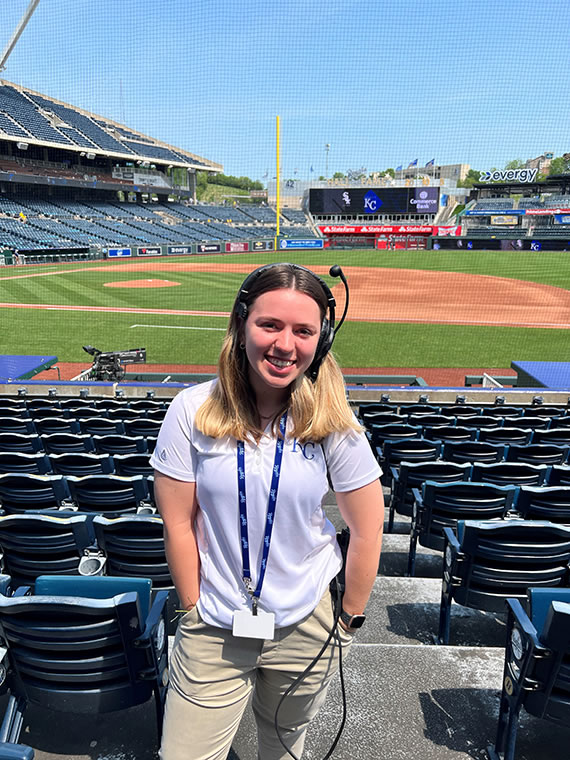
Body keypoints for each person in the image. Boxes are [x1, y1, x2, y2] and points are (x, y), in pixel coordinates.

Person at [150, 262, 384, 760]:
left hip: (308, 624)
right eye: (270, 325)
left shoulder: (332, 419)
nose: (285, 345)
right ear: (240, 325)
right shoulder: (191, 410)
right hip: (214, 624)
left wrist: (348, 621)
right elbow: (176, 521)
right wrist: (192, 607)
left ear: (321, 341)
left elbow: (367, 528)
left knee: (283, 749)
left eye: (304, 331)